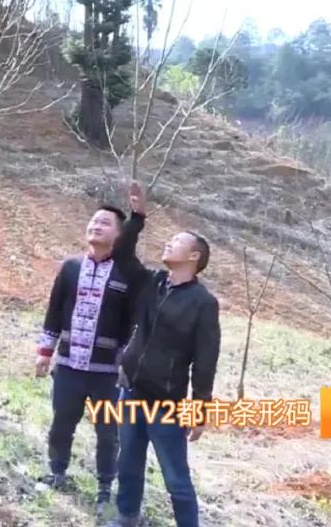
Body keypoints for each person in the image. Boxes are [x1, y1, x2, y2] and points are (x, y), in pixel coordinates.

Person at [35, 183, 146, 515]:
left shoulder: (128, 273)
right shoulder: (70, 267)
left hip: (108, 374)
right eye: (93, 221)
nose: (96, 226)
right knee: (61, 423)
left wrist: (128, 361)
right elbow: (55, 310)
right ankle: (57, 471)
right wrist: (45, 352)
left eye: (105, 223)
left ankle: (104, 488)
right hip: (69, 365)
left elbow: (135, 322)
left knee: (108, 433)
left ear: (119, 235)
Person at [107, 203, 221, 527]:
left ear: (194, 256)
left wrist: (199, 411)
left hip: (165, 402)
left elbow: (205, 360)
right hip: (130, 390)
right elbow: (121, 253)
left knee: (176, 479)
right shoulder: (152, 283)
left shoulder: (203, 303)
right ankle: (127, 518)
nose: (168, 243)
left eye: (176, 241)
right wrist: (137, 219)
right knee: (128, 463)